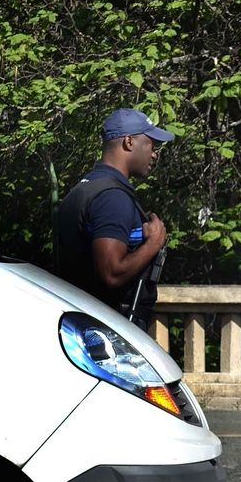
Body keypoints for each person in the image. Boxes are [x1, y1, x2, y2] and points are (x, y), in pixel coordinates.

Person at [54, 108, 172, 330]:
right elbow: (112, 273)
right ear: (129, 142)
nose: (155, 154)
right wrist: (153, 244)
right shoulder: (113, 198)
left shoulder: (85, 188)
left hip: (82, 319)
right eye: (151, 145)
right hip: (104, 329)